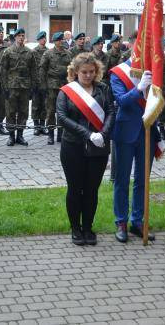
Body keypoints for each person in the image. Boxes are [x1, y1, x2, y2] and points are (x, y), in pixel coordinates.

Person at [56, 53, 114, 245]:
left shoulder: (103, 89)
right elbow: (63, 118)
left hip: (98, 147)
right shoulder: (66, 91)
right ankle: (75, 228)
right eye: (84, 72)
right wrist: (88, 134)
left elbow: (111, 113)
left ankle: (88, 228)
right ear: (75, 72)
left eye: (91, 72)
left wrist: (103, 135)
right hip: (73, 146)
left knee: (91, 190)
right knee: (75, 188)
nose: (88, 76)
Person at [110, 59, 162, 242]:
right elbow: (122, 101)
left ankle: (137, 221)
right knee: (122, 179)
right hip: (126, 131)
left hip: (147, 130)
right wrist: (139, 88)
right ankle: (121, 222)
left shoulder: (153, 67)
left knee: (143, 180)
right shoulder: (118, 73)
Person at [0, 28, 37, 146]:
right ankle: (11, 136)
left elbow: (33, 71)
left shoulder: (29, 52)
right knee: (10, 111)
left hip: (25, 87)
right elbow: (3, 70)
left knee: (23, 111)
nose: (21, 38)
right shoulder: (8, 52)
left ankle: (20, 135)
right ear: (15, 37)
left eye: (23, 35)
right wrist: (4, 87)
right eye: (19, 36)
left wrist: (33, 87)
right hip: (11, 86)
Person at [40, 32, 73, 145]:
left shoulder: (68, 54)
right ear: (54, 41)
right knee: (50, 110)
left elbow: (72, 70)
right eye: (58, 40)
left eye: (62, 40)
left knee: (63, 110)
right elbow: (42, 70)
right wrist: (43, 85)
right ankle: (50, 134)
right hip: (52, 86)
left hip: (64, 86)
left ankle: (61, 133)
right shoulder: (48, 54)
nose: (61, 42)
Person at [31, 31, 49, 136]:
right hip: (36, 82)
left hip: (45, 82)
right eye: (42, 38)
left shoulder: (48, 51)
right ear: (38, 40)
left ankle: (43, 125)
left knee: (44, 105)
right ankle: (36, 126)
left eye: (45, 38)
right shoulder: (33, 52)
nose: (44, 40)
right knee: (36, 105)